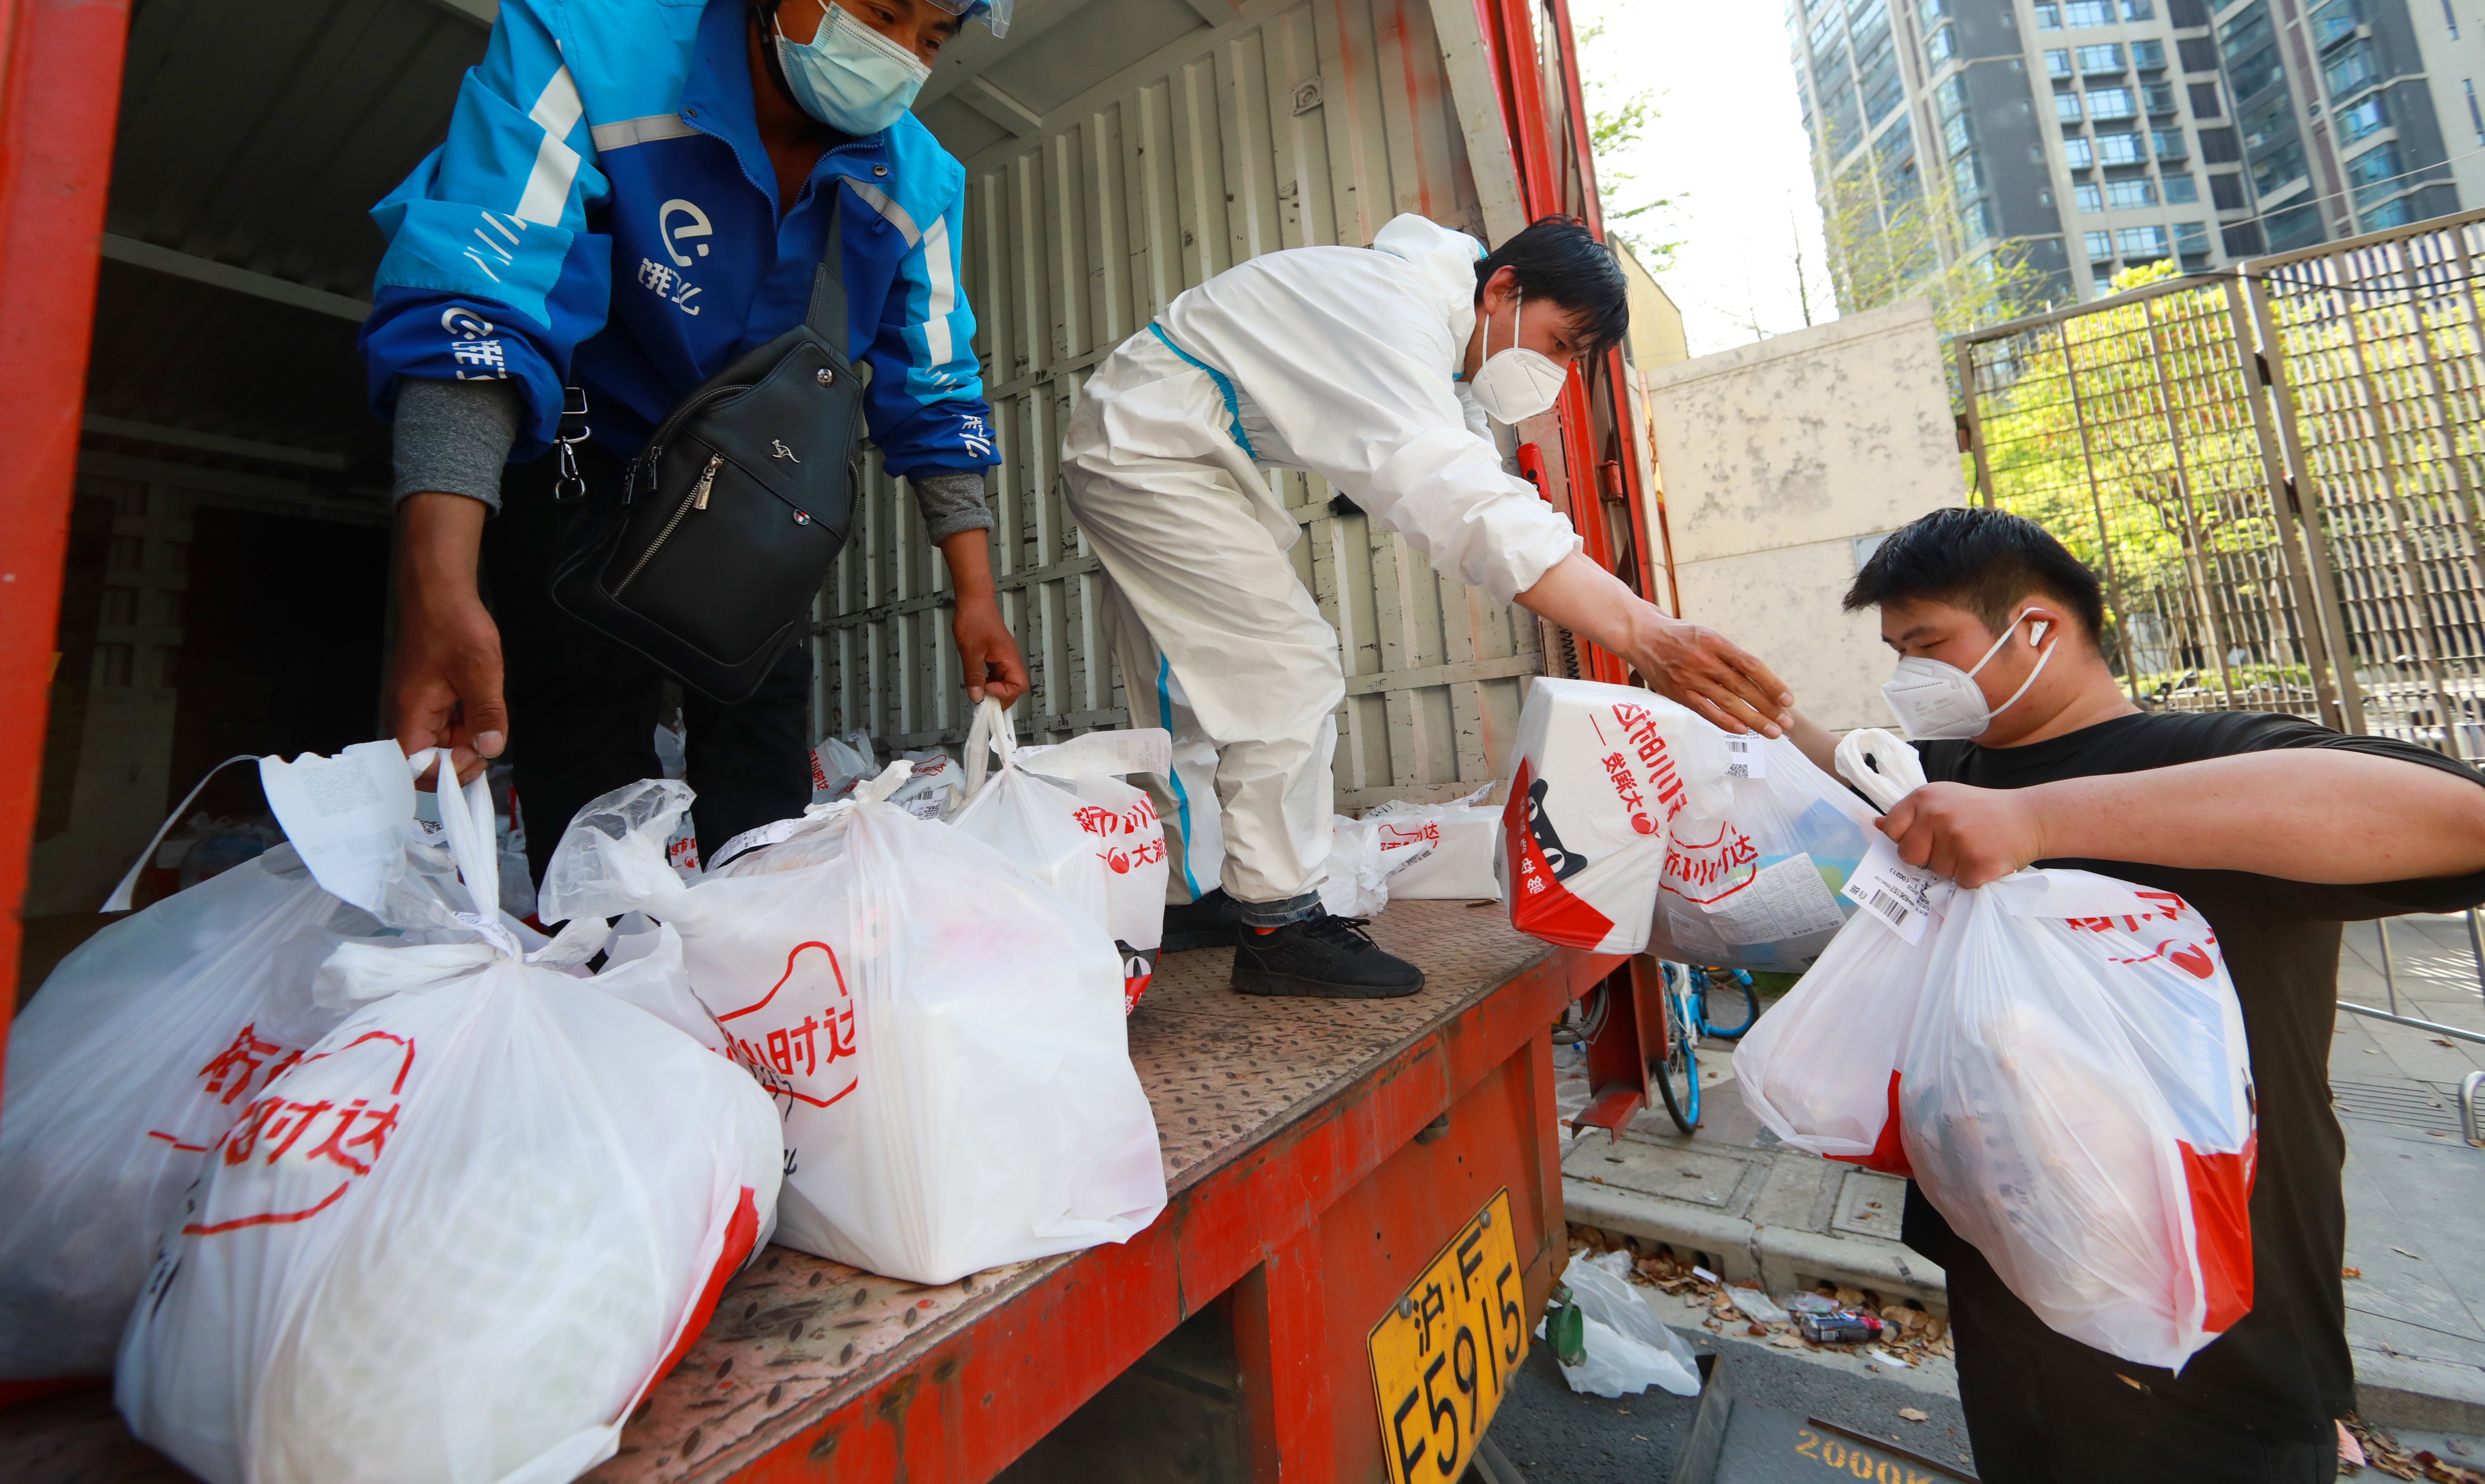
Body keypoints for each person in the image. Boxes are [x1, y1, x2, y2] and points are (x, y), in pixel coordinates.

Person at [362, 0, 1026, 875]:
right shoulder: (590, 45)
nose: (905, 55)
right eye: (880, 8)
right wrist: (442, 588)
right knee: (589, 758)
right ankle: (607, 991)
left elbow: (937, 391)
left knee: (763, 773)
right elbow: (476, 303)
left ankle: (758, 997)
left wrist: (978, 598)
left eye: (933, 34)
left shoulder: (920, 182)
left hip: (762, 494)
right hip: (584, 451)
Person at [1786, 507, 2485, 1484]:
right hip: (2010, 1277)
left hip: (2208, 1330)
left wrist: (2034, 819)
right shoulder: (1956, 771)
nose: (1911, 673)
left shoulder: (2215, 757)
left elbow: (2462, 821)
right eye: (1899, 649)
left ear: (2037, 628)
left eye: (1930, 643)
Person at [1061, 213, 1798, 999]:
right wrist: (1642, 630)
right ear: (1504, 289)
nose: (1556, 374)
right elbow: (1460, 500)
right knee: (1284, 668)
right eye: (1559, 345)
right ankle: (1281, 921)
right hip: (1150, 450)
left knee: (1189, 687)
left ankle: (1193, 891)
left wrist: (1602, 595)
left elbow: (1486, 493)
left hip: (1152, 441)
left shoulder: (1445, 353)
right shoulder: (1394, 306)